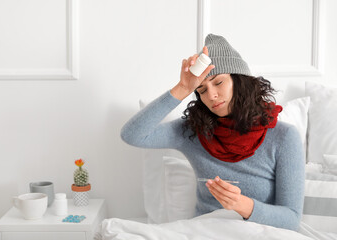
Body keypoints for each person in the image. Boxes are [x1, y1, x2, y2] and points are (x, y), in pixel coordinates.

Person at [120, 34, 304, 231]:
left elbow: (292, 219)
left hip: (261, 233)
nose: (211, 96)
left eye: (218, 83)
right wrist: (182, 88)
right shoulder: (193, 132)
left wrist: (242, 205)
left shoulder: (284, 137)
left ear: (239, 81)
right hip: (204, 231)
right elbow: (132, 135)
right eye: (201, 90)